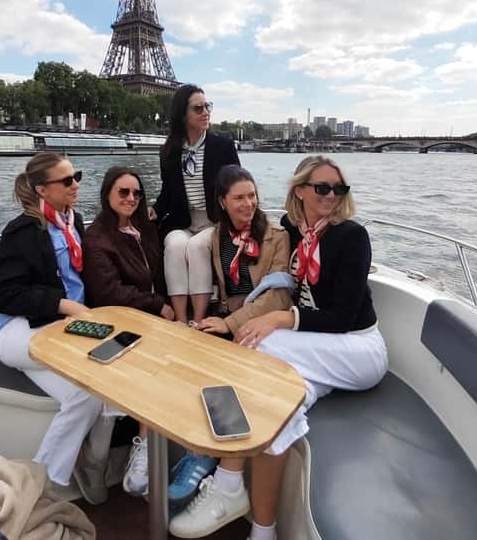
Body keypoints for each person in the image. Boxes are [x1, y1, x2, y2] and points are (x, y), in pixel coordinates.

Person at [170, 156, 388, 540]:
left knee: (257, 344)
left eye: (338, 189)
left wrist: (279, 318)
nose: (331, 195)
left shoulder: (350, 236)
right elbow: (261, 234)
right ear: (300, 191)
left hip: (358, 348)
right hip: (322, 348)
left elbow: (342, 316)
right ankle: (263, 530)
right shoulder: (296, 229)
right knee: (280, 408)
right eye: (322, 187)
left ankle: (227, 482)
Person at [169, 165, 293, 535]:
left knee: (231, 372)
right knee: (186, 362)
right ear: (222, 202)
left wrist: (229, 324)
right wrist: (202, 319)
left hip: (256, 319)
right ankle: (199, 452)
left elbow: (279, 295)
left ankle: (209, 459)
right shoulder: (215, 237)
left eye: (252, 195)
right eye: (239, 197)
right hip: (226, 316)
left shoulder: (276, 237)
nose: (249, 204)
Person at [0, 152, 112, 505]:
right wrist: (62, 304)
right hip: (18, 330)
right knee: (89, 386)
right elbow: (1, 294)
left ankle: (86, 465)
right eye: (67, 180)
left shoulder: (74, 222)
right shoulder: (25, 229)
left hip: (61, 329)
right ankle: (43, 492)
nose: (76, 185)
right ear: (42, 189)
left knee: (103, 387)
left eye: (77, 177)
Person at [82, 165, 175, 498]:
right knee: (147, 367)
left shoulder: (145, 228)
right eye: (123, 192)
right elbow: (109, 293)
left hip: (153, 315)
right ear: (107, 194)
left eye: (136, 193)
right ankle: (145, 450)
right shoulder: (96, 239)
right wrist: (158, 305)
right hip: (121, 319)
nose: (131, 198)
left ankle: (158, 451)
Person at [151, 84, 240, 323]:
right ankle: (180, 320)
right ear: (183, 114)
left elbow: (238, 185)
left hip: (215, 220)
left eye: (207, 106)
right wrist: (154, 211)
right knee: (175, 245)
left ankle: (199, 320)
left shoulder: (222, 147)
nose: (205, 112)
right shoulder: (169, 151)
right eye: (198, 108)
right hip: (183, 220)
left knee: (197, 247)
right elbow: (167, 193)